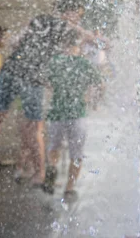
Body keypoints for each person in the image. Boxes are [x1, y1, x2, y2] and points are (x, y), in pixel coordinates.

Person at [0, 0, 98, 188]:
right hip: (31, 77)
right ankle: (39, 174)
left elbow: (16, 42)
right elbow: (90, 38)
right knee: (34, 127)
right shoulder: (63, 25)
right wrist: (100, 41)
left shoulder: (39, 20)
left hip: (11, 69)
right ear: (68, 13)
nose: (78, 19)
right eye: (77, 14)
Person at [42, 30, 102, 200]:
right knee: (76, 154)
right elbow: (100, 84)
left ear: (63, 46)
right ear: (78, 46)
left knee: (54, 147)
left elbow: (47, 83)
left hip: (57, 113)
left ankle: (52, 168)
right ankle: (69, 188)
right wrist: (92, 100)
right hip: (78, 114)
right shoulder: (84, 64)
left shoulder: (55, 62)